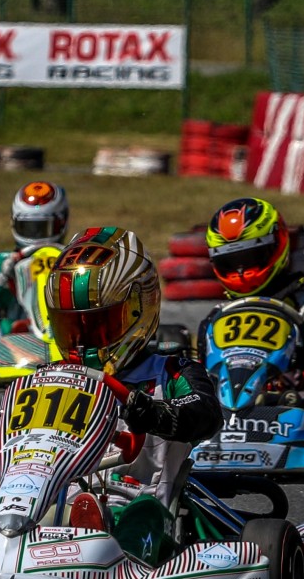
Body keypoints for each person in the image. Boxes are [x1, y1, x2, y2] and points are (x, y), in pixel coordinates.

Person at [38, 227, 221, 561]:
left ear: (139, 309)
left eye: (98, 326)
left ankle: (108, 554)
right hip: (52, 499)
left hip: (137, 501)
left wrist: (156, 414)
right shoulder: (50, 378)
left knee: (139, 515)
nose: (83, 342)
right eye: (72, 328)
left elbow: (205, 414)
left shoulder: (172, 372)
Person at [200, 196, 304, 390]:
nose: (241, 271)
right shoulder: (216, 317)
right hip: (226, 403)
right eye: (230, 262)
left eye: (250, 258)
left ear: (277, 245)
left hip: (290, 401)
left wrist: (299, 365)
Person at [0, 180, 71, 332]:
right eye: (29, 228)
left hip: (65, 334)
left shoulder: (73, 261)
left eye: (43, 228)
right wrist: (6, 277)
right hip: (15, 337)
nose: (36, 236)